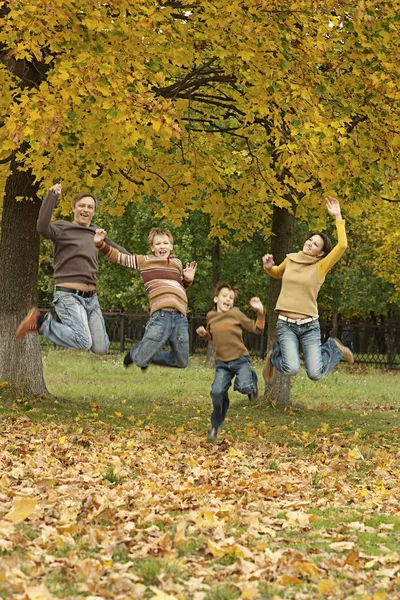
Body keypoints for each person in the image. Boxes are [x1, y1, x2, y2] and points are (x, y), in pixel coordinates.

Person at [16, 183, 127, 353]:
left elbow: (118, 251)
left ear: (94, 212)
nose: (85, 210)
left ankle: (44, 324)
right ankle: (41, 323)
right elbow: (42, 227)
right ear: (74, 208)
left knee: (101, 348)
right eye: (81, 206)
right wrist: (52, 196)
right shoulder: (62, 228)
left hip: (91, 298)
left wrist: (145, 262)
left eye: (90, 207)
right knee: (83, 342)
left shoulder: (96, 232)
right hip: (68, 295)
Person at [262, 196, 354, 383]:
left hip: (309, 326)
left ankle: (334, 348)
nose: (310, 243)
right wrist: (269, 267)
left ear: (320, 253)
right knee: (292, 368)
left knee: (315, 374)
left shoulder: (321, 266)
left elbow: (342, 245)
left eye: (315, 244)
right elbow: (278, 273)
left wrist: (338, 217)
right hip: (286, 324)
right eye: (310, 240)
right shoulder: (292, 258)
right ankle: (273, 356)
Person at [93, 226, 197, 369]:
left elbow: (177, 288)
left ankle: (150, 354)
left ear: (171, 246)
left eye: (166, 243)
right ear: (152, 247)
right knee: (141, 361)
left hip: (180, 318)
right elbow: (120, 258)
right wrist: (100, 244)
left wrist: (188, 280)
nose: (162, 246)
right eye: (158, 243)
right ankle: (136, 353)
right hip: (160, 317)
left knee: (182, 362)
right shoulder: (145, 261)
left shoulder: (177, 263)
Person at [196, 284, 265, 442]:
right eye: (224, 295)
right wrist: (204, 334)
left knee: (244, 387)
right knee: (217, 392)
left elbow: (257, 329)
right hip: (222, 364)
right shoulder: (211, 316)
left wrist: (260, 312)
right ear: (216, 299)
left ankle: (252, 382)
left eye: (231, 298)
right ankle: (215, 425)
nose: (228, 299)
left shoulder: (236, 313)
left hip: (240, 360)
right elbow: (212, 336)